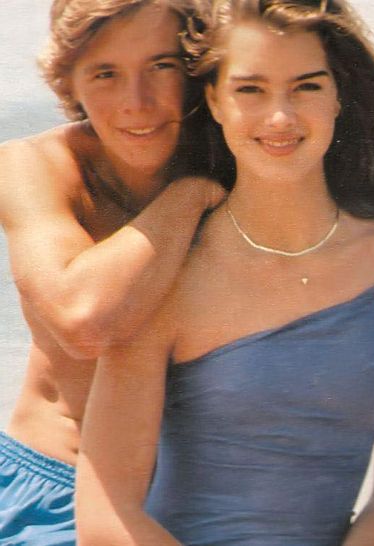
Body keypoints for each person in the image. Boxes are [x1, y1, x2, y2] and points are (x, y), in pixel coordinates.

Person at [76, 0, 374, 544]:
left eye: (306, 86)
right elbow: (104, 516)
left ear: (337, 96)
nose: (280, 118)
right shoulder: (167, 273)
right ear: (213, 100)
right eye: (250, 90)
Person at [0, 0, 225, 543]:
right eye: (105, 73)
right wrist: (189, 196)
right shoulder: (34, 167)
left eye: (162, 66)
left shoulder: (242, 161)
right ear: (70, 81)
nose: (137, 103)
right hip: (60, 494)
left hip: (209, 505)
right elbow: (83, 322)